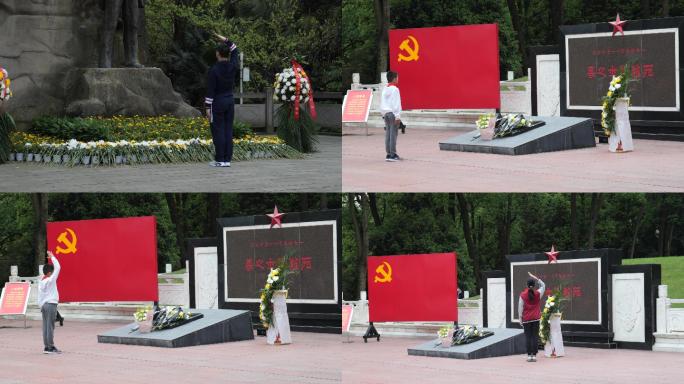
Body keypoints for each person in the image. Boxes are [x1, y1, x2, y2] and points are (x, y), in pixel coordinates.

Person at [205, 33, 239, 168]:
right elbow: (235, 49)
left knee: (218, 130)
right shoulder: (232, 66)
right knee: (228, 130)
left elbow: (210, 91)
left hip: (217, 102)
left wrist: (207, 107)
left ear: (217, 54)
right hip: (230, 101)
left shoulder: (214, 70)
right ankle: (227, 160)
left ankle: (220, 159)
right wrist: (225, 39)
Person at [518, 271, 545, 362]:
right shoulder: (538, 293)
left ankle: (529, 356)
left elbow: (520, 308)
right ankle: (534, 356)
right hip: (536, 318)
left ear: (526, 285)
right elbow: (543, 286)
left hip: (526, 319)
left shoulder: (522, 295)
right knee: (534, 337)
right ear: (534, 285)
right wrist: (536, 278)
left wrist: (520, 318)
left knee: (528, 337)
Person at [39, 251, 62, 354]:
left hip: (44, 305)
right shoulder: (50, 280)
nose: (53, 274)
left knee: (45, 326)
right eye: (51, 272)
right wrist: (52, 257)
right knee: (50, 326)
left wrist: (41, 306)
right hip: (51, 304)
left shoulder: (41, 281)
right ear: (49, 273)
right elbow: (58, 267)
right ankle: (50, 347)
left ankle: (46, 347)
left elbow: (39, 296)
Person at [380, 71, 402, 162]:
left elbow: (382, 102)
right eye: (397, 77)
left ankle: (388, 153)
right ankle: (393, 155)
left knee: (388, 133)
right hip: (393, 113)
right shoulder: (395, 89)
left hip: (386, 113)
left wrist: (383, 113)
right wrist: (397, 116)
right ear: (394, 78)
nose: (398, 79)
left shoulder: (385, 88)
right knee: (393, 134)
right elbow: (396, 103)